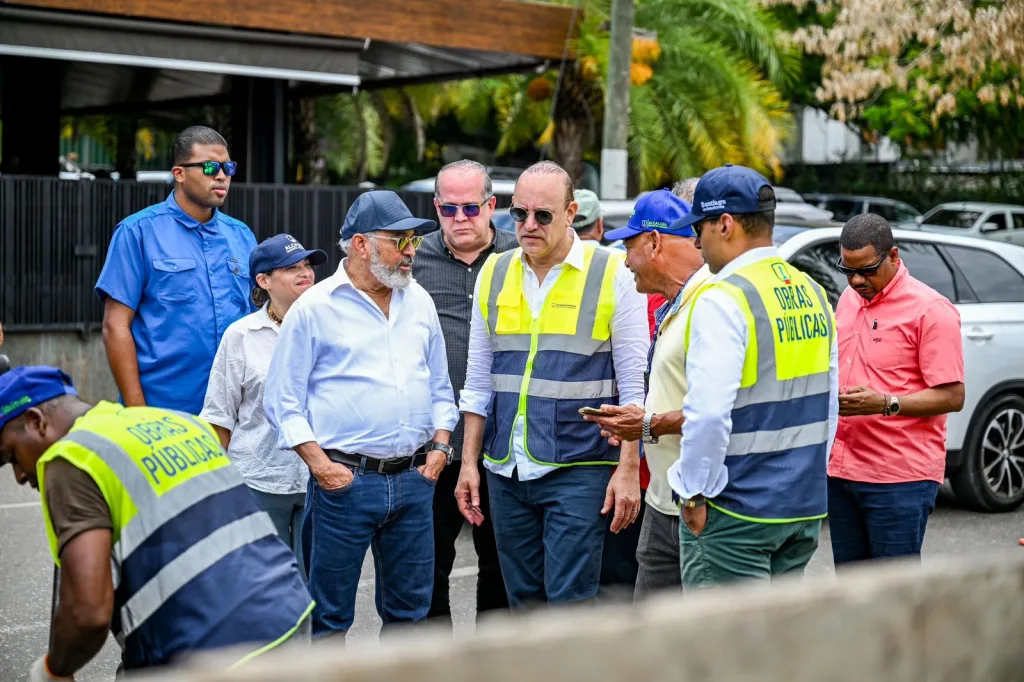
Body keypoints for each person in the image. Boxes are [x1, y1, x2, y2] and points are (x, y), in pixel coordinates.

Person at [0, 366, 313, 680]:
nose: (19, 475)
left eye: (12, 456)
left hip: (211, 654)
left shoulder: (71, 457)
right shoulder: (177, 421)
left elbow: (87, 614)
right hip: (290, 616)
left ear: (35, 421)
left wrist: (53, 669)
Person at [264, 190, 458, 637]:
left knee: (411, 616)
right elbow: (282, 401)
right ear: (361, 244)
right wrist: (323, 468)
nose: (411, 252)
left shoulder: (419, 301)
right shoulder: (315, 308)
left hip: (414, 481)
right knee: (330, 618)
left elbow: (439, 386)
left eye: (415, 242)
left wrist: (440, 449)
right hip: (344, 485)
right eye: (401, 241)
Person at [456, 161, 649, 607]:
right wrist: (469, 464)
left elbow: (635, 389)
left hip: (580, 467)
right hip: (506, 468)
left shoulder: (611, 272)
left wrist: (627, 470)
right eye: (517, 213)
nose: (527, 225)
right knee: (522, 602)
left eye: (542, 215)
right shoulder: (495, 271)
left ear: (570, 212)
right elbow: (478, 379)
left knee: (570, 604)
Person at [666, 164, 839, 589]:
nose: (696, 241)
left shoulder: (724, 297)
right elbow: (829, 406)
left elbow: (706, 415)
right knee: (775, 649)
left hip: (737, 513)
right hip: (801, 507)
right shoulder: (812, 291)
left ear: (725, 224)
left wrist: (692, 493)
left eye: (700, 228)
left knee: (725, 651)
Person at [586, 189, 711, 598]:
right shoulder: (674, 303)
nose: (624, 260)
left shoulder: (713, 303)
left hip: (700, 505)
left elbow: (723, 411)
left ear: (655, 242)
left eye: (630, 245)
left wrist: (646, 425)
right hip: (663, 500)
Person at [829, 214, 964, 565]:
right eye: (848, 270)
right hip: (841, 472)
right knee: (852, 595)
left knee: (894, 601)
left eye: (868, 270)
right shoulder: (848, 300)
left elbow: (953, 395)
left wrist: (885, 403)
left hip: (899, 478)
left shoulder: (930, 309)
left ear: (893, 256)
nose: (857, 280)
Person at [413, 160, 515, 625]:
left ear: (491, 206)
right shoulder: (411, 262)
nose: (460, 218)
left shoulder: (519, 258)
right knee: (427, 570)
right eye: (449, 208)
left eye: (471, 207)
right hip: (433, 446)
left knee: (501, 569)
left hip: (504, 446)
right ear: (436, 208)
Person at [95, 125, 256, 415]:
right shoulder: (138, 232)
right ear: (179, 173)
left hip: (234, 414)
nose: (221, 176)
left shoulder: (241, 236)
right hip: (164, 412)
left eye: (228, 167)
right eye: (210, 166)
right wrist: (138, 414)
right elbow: (115, 326)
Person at [200, 234, 328, 580]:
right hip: (258, 480)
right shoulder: (241, 335)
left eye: (306, 266)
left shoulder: (331, 327)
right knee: (263, 585)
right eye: (291, 268)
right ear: (263, 280)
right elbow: (218, 416)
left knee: (316, 586)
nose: (305, 273)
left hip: (321, 478)